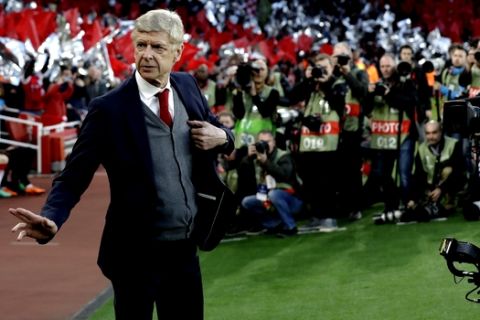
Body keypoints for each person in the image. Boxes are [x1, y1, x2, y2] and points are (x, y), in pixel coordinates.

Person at [9, 9, 234, 320]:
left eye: (157, 47)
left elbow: (216, 129)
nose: (147, 55)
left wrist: (223, 136)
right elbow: (73, 176)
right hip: (133, 255)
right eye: (141, 45)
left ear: (178, 51)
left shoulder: (188, 86)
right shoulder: (108, 109)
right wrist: (52, 218)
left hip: (184, 250)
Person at [240, 130, 302, 237]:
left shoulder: (283, 156)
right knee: (247, 201)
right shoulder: (256, 157)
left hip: (292, 199)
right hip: (267, 199)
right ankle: (274, 225)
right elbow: (242, 174)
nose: (264, 145)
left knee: (274, 194)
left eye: (267, 142)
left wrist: (265, 162)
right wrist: (248, 158)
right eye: (261, 142)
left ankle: (291, 227)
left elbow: (284, 175)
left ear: (274, 142)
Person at [402, 120, 465, 222]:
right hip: (431, 187)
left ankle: (450, 203)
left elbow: (459, 172)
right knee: (412, 183)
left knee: (448, 170)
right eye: (428, 133)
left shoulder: (453, 144)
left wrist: (441, 189)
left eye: (434, 132)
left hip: (449, 185)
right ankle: (418, 205)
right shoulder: (422, 149)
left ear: (441, 132)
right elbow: (419, 175)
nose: (431, 136)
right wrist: (418, 195)